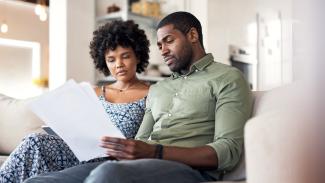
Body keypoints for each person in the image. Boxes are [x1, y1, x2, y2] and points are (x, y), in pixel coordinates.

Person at [24, 11, 253, 183]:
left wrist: (155, 152)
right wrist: (119, 147)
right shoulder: (160, 88)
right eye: (159, 44)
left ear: (192, 35)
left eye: (169, 41)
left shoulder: (228, 78)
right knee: (42, 180)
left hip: (191, 171)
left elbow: (228, 151)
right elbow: (142, 140)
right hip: (140, 163)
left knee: (107, 174)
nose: (162, 50)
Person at [0, 20, 150, 183]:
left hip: (113, 157)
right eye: (111, 59)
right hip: (81, 150)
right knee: (34, 140)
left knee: (36, 145)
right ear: (104, 62)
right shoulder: (95, 91)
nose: (119, 64)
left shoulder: (151, 93)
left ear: (138, 56)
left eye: (125, 56)